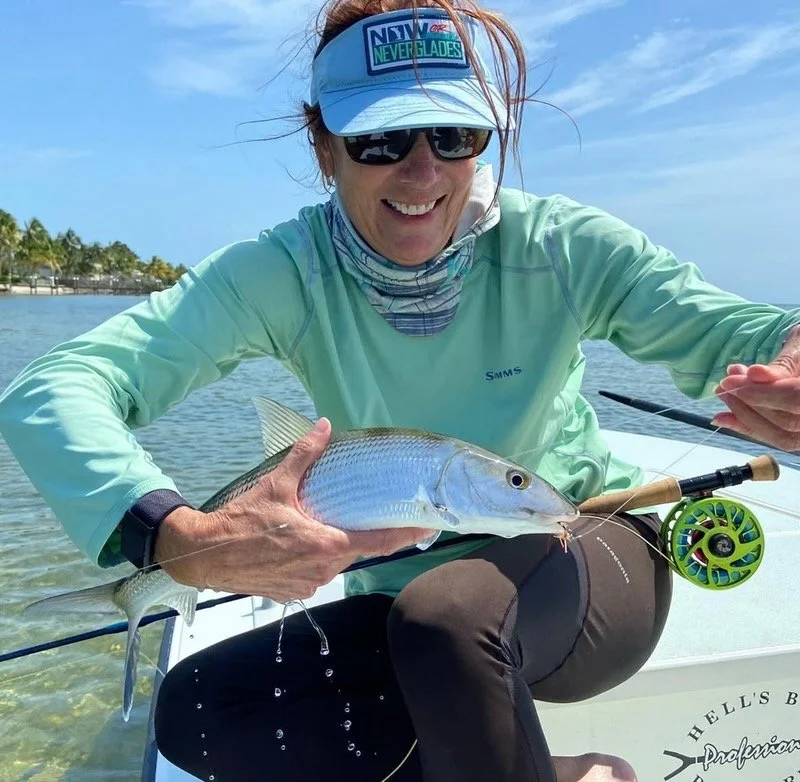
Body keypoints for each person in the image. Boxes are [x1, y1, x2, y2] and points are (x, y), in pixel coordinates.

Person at [1, 0, 798, 780]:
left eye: (455, 135)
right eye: (381, 139)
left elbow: (749, 334)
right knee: (200, 712)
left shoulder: (562, 247)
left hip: (583, 547)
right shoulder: (283, 273)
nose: (423, 172)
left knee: (446, 618)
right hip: (404, 598)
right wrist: (175, 536)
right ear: (325, 148)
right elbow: (55, 387)